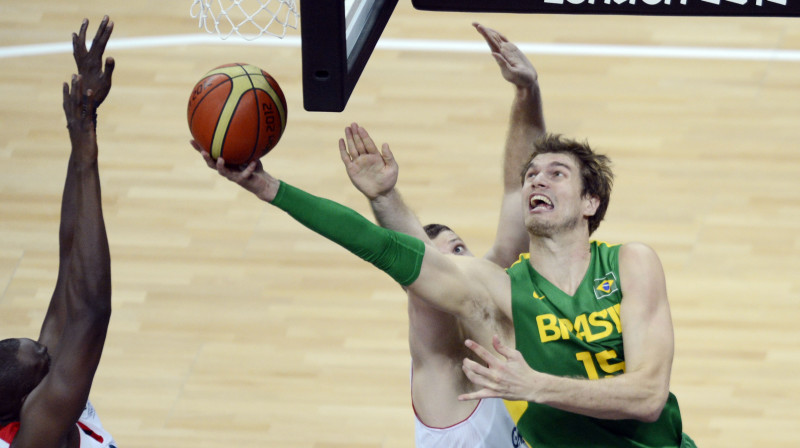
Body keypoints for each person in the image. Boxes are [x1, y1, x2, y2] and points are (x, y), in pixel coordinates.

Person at [195, 39, 694, 448]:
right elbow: (385, 248)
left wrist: (527, 92)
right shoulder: (493, 292)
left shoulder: (631, 263)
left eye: (556, 174)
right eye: (532, 176)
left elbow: (649, 396)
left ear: (591, 202)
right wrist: (270, 188)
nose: (537, 181)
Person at [338, 23, 543, 447]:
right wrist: (385, 199)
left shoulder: (490, 308)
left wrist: (527, 93)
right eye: (445, 257)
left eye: (460, 248)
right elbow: (414, 259)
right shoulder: (443, 361)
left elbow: (515, 193)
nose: (460, 261)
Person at [0, 16, 117, 448]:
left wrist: (81, 133)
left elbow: (71, 263)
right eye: (46, 365)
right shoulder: (38, 438)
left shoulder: (30, 402)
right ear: (30, 405)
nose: (55, 352)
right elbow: (92, 312)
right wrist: (85, 140)